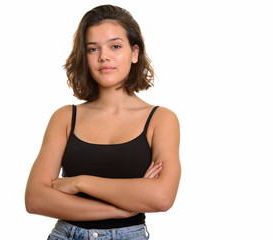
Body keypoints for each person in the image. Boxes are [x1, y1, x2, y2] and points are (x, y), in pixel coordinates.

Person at [25, 4, 181, 240]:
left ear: (135, 53)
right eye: (92, 49)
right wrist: (121, 209)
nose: (104, 56)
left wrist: (80, 183)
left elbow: (161, 197)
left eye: (115, 46)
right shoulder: (65, 117)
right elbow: (35, 199)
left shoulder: (161, 119)